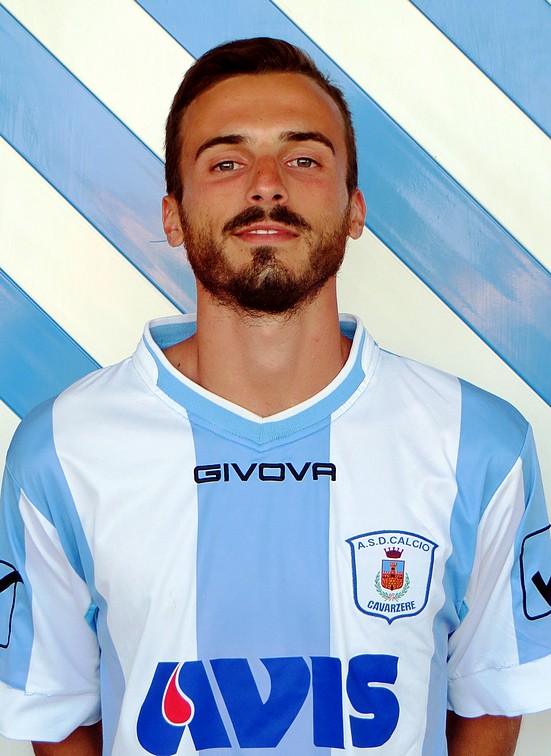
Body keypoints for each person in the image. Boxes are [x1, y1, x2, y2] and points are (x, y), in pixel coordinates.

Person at [0, 37, 550, 756]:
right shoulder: (63, 449)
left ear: (354, 210)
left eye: (303, 159)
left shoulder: (479, 444)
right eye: (226, 163)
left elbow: (491, 697)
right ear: (172, 216)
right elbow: (56, 710)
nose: (266, 186)